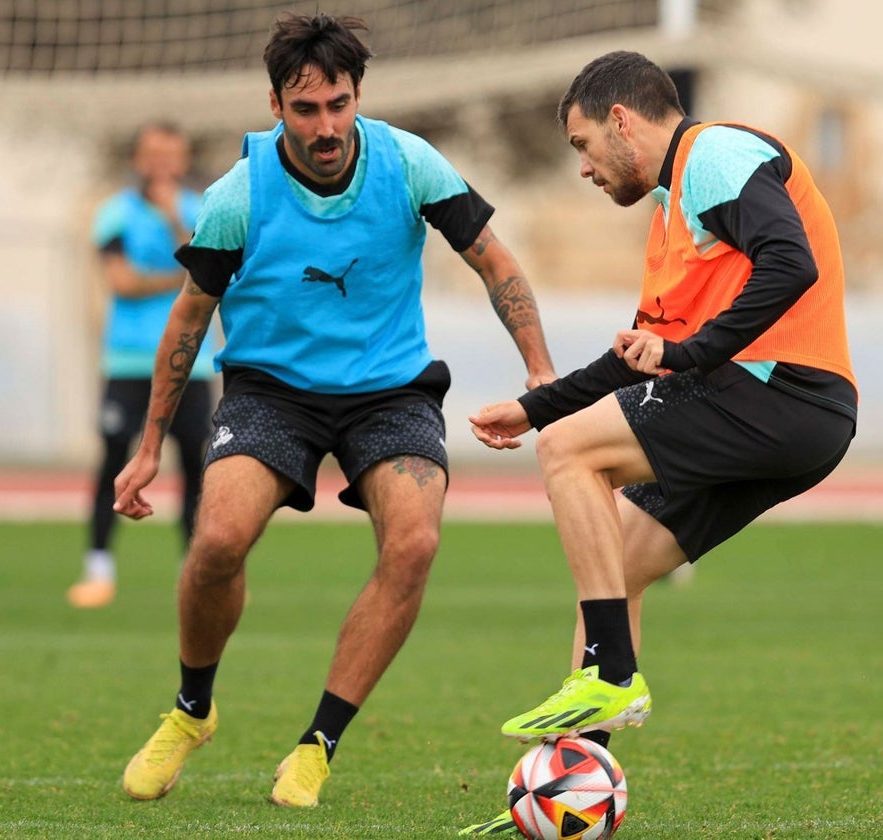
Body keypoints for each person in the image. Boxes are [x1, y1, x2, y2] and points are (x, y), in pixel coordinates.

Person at [112, 13, 556, 808]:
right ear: (276, 105)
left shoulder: (409, 162)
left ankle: (317, 744)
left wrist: (541, 376)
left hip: (389, 390)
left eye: (339, 104)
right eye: (306, 108)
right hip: (271, 390)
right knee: (216, 540)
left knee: (415, 543)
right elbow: (187, 319)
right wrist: (149, 448)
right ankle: (190, 710)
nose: (326, 126)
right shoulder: (239, 193)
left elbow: (495, 261)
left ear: (359, 98)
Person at [462, 51, 857, 835]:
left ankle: (613, 675)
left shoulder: (713, 153)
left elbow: (792, 262)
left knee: (571, 455)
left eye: (581, 145)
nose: (583, 167)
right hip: (793, 413)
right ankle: (575, 784)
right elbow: (634, 356)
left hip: (782, 389)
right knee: (619, 563)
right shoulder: (676, 213)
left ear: (620, 122)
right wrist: (533, 407)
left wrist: (692, 355)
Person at [67, 122, 216, 610]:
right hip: (129, 359)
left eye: (171, 154)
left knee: (197, 466)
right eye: (152, 154)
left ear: (184, 158)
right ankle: (98, 566)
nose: (161, 164)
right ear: (137, 159)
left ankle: (192, 570)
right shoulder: (116, 213)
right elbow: (124, 282)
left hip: (188, 363)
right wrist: (183, 276)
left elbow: (212, 270)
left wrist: (176, 221)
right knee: (114, 457)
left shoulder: (201, 211)